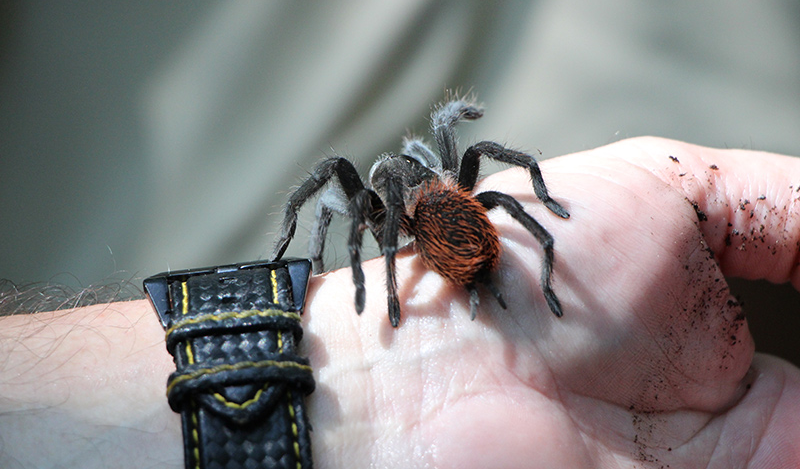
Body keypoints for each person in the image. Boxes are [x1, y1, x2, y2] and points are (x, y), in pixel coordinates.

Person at [1, 137, 797, 468]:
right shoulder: (465, 185)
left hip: (430, 250)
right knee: (494, 195)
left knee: (346, 173)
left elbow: (340, 207)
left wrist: (373, 283)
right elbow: (468, 160)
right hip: (466, 236)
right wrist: (543, 230)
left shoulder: (388, 206)